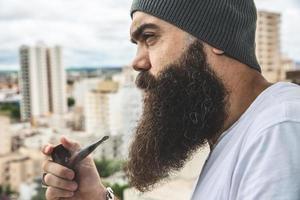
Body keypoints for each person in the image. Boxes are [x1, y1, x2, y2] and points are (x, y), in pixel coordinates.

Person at [41, 0, 300, 199]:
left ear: (213, 35)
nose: (137, 61)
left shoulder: (280, 128)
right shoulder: (241, 133)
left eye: (150, 37)